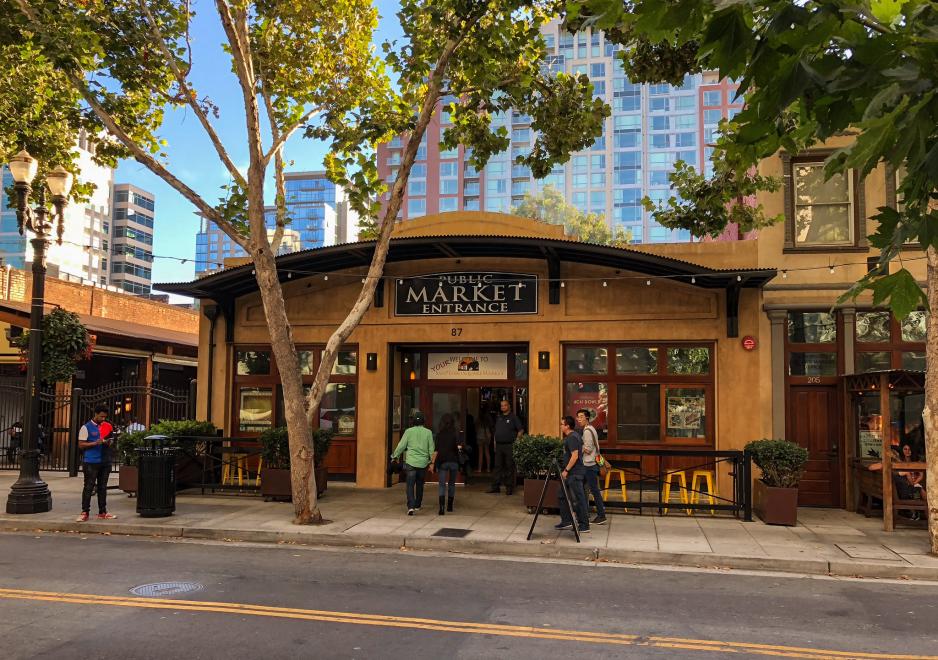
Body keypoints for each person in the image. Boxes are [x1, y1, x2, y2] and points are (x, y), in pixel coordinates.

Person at [77, 404, 117, 522]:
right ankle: (85, 512)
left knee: (102, 487)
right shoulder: (86, 427)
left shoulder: (108, 426)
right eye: (101, 416)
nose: (103, 419)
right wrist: (95, 443)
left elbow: (111, 440)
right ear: (95, 414)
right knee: (88, 486)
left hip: (105, 460)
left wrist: (109, 442)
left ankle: (103, 511)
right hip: (91, 461)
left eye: (104, 417)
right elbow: (81, 444)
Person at [391, 410, 435, 515]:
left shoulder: (408, 432)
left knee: (410, 485)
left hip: (410, 462)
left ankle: (410, 506)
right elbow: (431, 449)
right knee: (420, 484)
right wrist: (431, 461)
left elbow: (401, 446)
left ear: (413, 421)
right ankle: (418, 505)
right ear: (424, 421)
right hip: (423, 463)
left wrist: (394, 456)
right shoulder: (428, 432)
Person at [556, 415, 589, 534]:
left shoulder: (572, 437)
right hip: (571, 473)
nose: (560, 426)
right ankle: (566, 521)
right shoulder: (573, 436)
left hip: (574, 473)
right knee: (562, 495)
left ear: (567, 426)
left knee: (579, 499)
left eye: (561, 424)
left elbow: (575, 455)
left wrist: (566, 470)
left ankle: (584, 525)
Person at [487, 399, 524, 495]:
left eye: (505, 405)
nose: (503, 407)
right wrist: (495, 443)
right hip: (499, 445)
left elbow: (520, 430)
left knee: (509, 466)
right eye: (501, 405)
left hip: (509, 445)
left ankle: (509, 488)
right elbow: (496, 432)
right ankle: (495, 487)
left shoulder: (513, 417)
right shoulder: (499, 417)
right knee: (497, 466)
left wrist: (516, 442)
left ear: (509, 406)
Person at [577, 408, 607, 525]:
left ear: (587, 418)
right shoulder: (591, 429)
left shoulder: (587, 431)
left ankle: (601, 515)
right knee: (586, 489)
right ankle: (585, 513)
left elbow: (588, 450)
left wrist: (579, 446)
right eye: (578, 417)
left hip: (589, 465)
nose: (579, 419)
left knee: (592, 490)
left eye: (581, 417)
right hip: (591, 464)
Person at [434, 413, 461, 515]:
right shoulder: (455, 434)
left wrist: (433, 463)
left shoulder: (439, 435)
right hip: (453, 461)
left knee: (441, 485)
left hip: (442, 462)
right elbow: (457, 447)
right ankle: (450, 506)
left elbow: (436, 450)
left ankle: (441, 508)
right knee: (451, 483)